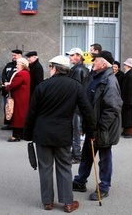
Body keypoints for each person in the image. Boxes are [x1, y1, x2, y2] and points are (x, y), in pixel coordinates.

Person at [24, 55, 95, 213]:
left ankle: (47, 202)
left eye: (50, 67)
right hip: (63, 133)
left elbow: (32, 112)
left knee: (45, 167)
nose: (50, 70)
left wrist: (27, 134)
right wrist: (91, 131)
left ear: (54, 68)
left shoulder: (42, 86)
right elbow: (87, 111)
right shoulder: (75, 86)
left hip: (42, 133)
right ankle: (68, 203)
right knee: (64, 167)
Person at [73, 50, 123, 201]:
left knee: (104, 156)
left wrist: (100, 126)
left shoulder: (110, 81)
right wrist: (85, 123)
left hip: (103, 127)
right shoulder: (93, 77)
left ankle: (104, 186)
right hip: (92, 125)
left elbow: (113, 107)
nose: (93, 62)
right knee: (87, 153)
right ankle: (80, 181)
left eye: (96, 60)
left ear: (103, 63)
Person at [66, 47, 89, 164]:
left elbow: (74, 89)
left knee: (75, 131)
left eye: (72, 55)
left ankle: (76, 155)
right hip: (78, 105)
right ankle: (75, 154)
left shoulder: (78, 70)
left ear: (78, 56)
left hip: (76, 106)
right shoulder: (80, 69)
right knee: (75, 130)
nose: (70, 58)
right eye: (70, 55)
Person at [4, 57, 30, 142]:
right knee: (21, 116)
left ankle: (15, 136)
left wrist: (7, 85)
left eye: (18, 64)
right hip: (22, 98)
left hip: (19, 98)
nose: (16, 66)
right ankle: (21, 134)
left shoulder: (21, 74)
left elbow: (13, 85)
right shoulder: (26, 73)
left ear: (23, 65)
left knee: (17, 116)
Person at [1, 49, 23, 128]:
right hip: (6, 91)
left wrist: (10, 84)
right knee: (7, 108)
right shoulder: (8, 65)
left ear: (20, 56)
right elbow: (3, 75)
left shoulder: (21, 67)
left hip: (14, 91)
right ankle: (8, 124)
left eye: (15, 55)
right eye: (12, 55)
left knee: (15, 109)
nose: (13, 57)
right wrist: (5, 82)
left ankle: (14, 124)